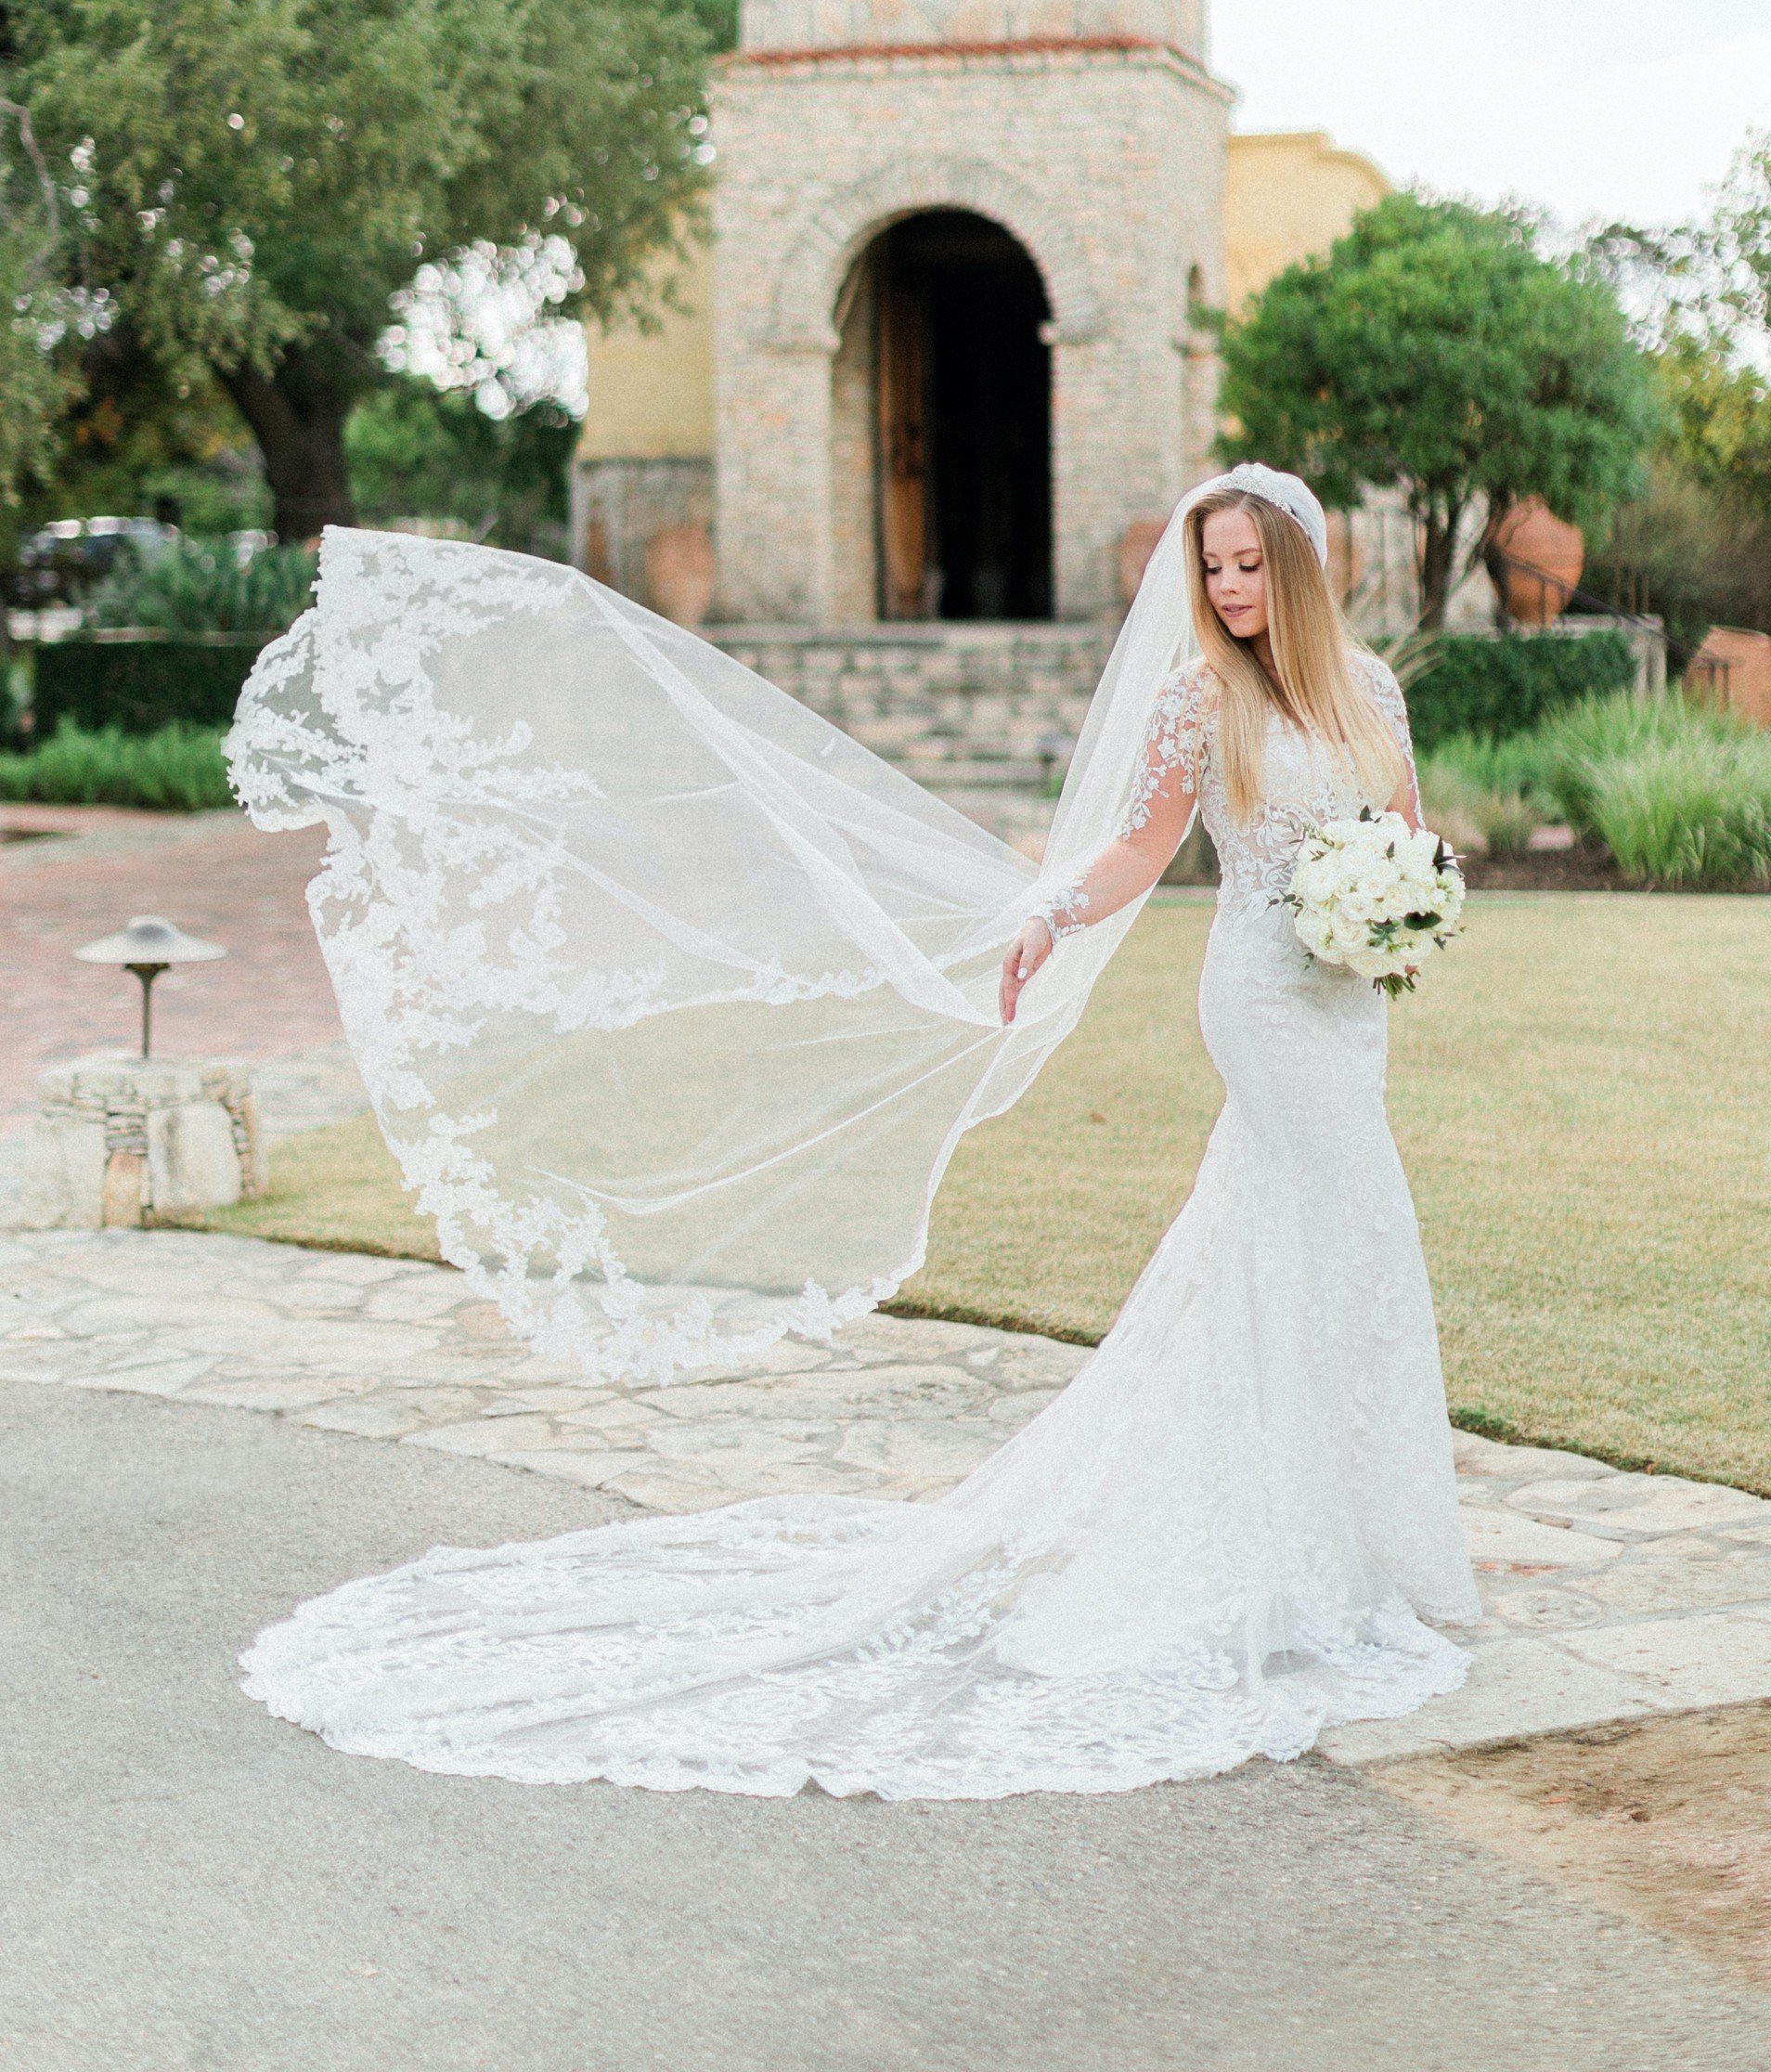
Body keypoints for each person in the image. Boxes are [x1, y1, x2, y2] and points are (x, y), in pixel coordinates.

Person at [231, 464, 1478, 1798]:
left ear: (1291, 565)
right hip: (1259, 1000)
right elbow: (1137, 850)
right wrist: (1050, 912)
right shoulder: (1198, 700)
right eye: (1212, 569)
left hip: (1348, 1003)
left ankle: (1335, 1538)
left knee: (1311, 1237)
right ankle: (1276, 1552)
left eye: (1246, 567)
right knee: (1340, 1221)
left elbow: (1400, 831)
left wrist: (1411, 894)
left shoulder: (1372, 693)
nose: (1227, 590)